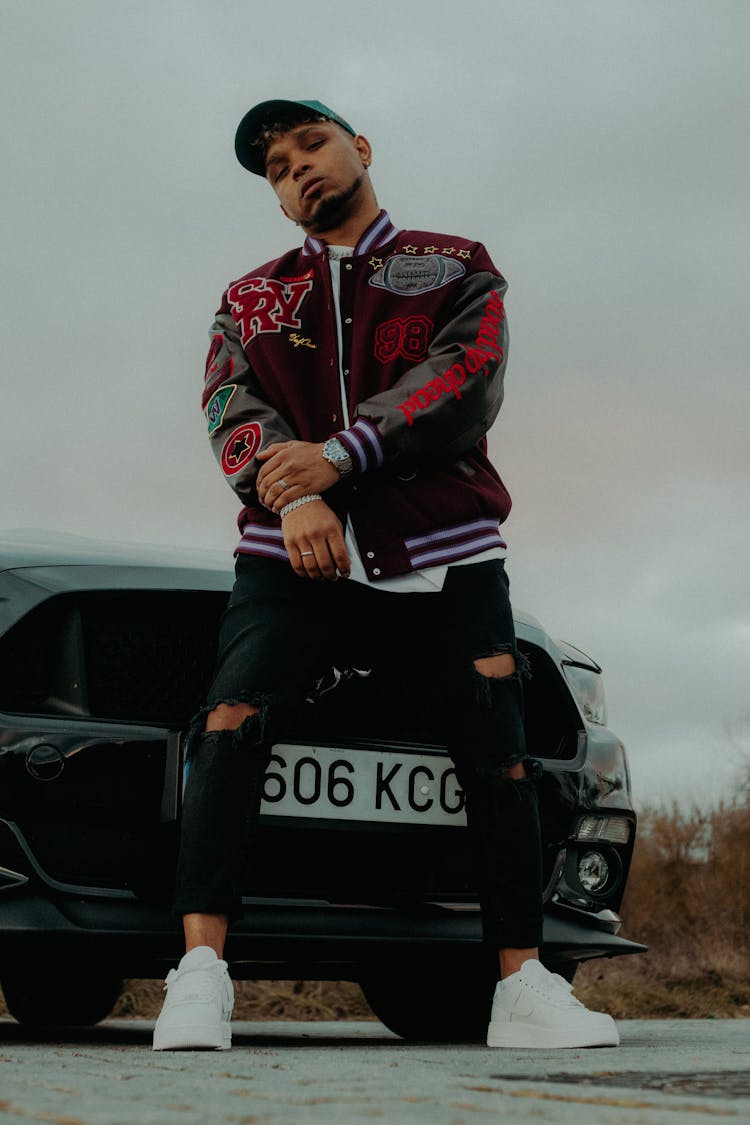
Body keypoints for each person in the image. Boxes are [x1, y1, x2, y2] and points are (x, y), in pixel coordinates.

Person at [153, 99, 618, 1052]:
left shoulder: (455, 265)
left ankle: (523, 988)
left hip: (445, 549)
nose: (299, 172)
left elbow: (463, 380)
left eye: (311, 146)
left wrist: (344, 454)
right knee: (231, 717)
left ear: (359, 148)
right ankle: (199, 974)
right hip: (290, 552)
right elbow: (227, 405)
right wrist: (296, 493)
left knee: (499, 753)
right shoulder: (248, 299)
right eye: (278, 169)